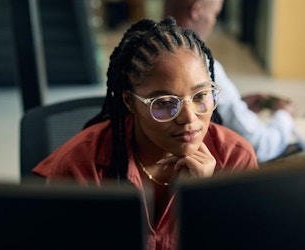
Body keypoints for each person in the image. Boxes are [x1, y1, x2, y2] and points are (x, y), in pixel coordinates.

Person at [33, 17, 258, 250]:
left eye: (200, 96)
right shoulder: (80, 166)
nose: (189, 118)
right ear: (130, 102)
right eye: (165, 103)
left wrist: (203, 199)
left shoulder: (235, 159)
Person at [163, 0, 302, 162]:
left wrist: (234, 105)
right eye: (214, 13)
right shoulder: (202, 67)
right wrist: (284, 114)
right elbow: (260, 145)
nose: (213, 21)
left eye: (201, 97)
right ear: (197, 9)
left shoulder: (144, 53)